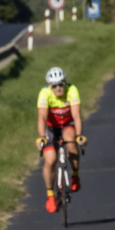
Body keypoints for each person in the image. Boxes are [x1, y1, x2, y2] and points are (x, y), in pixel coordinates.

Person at [36, 66, 85, 212]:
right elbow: (42, 117)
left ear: (65, 83)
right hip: (51, 128)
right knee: (50, 159)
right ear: (50, 86)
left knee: (70, 138)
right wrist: (42, 137)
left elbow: (76, 115)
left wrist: (79, 135)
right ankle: (50, 195)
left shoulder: (72, 90)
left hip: (67, 124)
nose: (58, 88)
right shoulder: (44, 94)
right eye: (54, 85)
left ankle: (75, 175)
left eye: (61, 84)